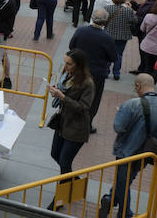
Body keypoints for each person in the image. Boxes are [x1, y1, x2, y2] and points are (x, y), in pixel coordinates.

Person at [98, 73, 157, 218]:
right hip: (147, 152)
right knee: (126, 180)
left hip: (126, 151)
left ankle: (124, 212)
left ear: (138, 86)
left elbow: (118, 127)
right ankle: (110, 199)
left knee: (123, 182)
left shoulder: (131, 104)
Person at [46, 49, 95, 211]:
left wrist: (62, 97)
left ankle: (59, 200)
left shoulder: (88, 83)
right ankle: (74, 181)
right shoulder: (69, 76)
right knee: (56, 154)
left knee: (65, 163)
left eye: (69, 64)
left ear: (78, 65)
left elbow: (84, 108)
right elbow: (65, 92)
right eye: (65, 62)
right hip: (63, 123)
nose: (66, 66)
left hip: (77, 128)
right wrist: (57, 91)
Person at [69, 9, 118, 133]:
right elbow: (113, 57)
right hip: (97, 74)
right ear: (105, 22)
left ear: (92, 17)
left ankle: (70, 120)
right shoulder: (107, 38)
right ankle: (86, 124)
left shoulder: (81, 31)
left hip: (78, 71)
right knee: (93, 100)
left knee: (74, 95)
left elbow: (71, 47)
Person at [104, 0, 137, 80]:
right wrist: (131, 9)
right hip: (123, 35)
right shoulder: (128, 10)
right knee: (119, 54)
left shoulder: (107, 8)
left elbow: (103, 19)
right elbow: (135, 21)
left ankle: (106, 71)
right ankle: (116, 73)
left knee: (107, 53)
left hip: (109, 34)